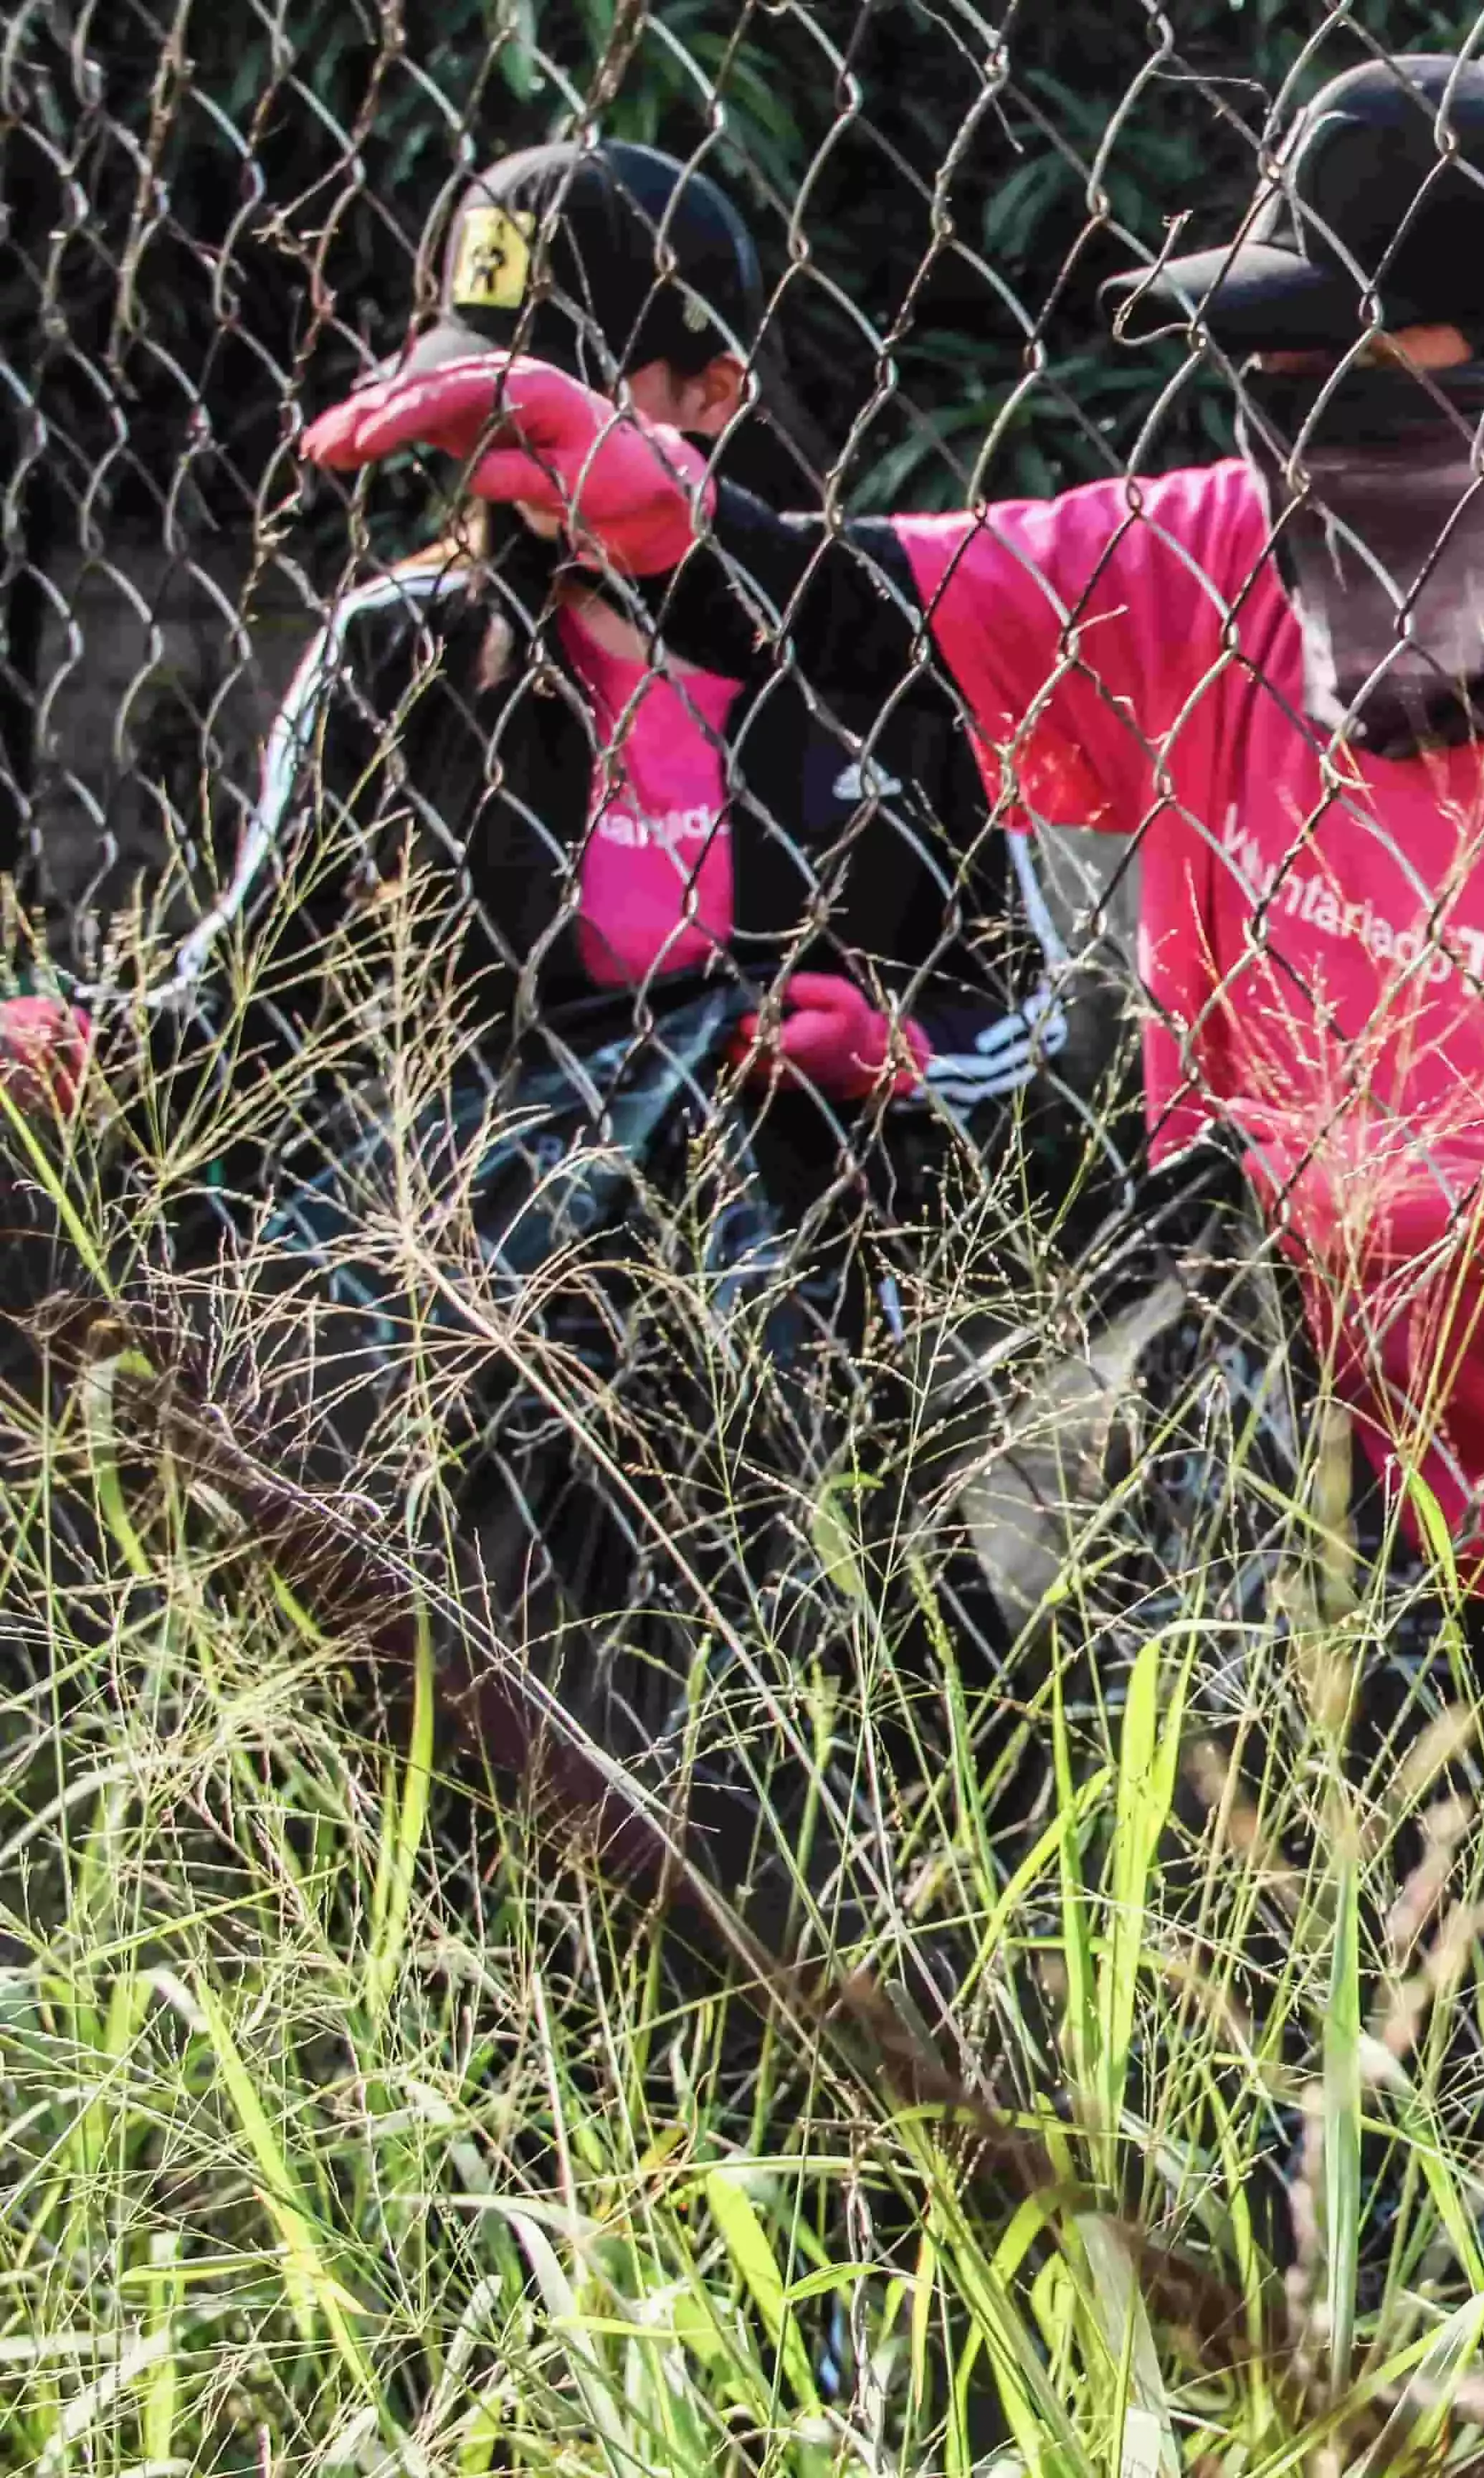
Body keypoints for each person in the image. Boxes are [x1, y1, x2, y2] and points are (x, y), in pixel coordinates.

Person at [301, 57, 1484, 2264]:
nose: (1310, 462)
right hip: (1191, 1519)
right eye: (1276, 387)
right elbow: (848, 630)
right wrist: (660, 518)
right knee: (1115, 2146)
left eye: (1386, 401)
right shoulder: (1199, 571)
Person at [237, 138, 1070, 1939]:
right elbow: (248, 1008)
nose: (513, 429)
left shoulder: (876, 652)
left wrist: (898, 1055)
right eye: (485, 376)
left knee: (832, 1884)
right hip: (486, 1374)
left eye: (571, 375)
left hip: (813, 1380)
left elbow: (1030, 1011)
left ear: (712, 392)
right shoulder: (397, 660)